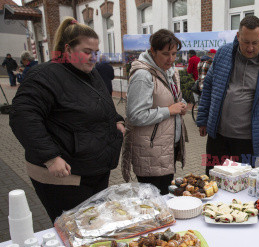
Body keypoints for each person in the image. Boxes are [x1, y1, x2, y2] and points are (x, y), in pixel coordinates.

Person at [9, 17, 125, 222]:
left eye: (96, 53)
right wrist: (51, 157)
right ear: (68, 50)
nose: (93, 58)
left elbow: (104, 105)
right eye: (87, 52)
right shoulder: (43, 76)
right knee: (74, 230)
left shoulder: (91, 74)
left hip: (95, 169)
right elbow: (22, 117)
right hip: (65, 177)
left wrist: (117, 121)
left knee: (95, 225)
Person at [196, 15, 259, 173]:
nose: (250, 48)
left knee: (243, 187)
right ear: (238, 36)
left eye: (255, 43)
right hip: (218, 138)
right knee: (213, 181)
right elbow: (209, 87)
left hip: (249, 142)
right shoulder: (224, 54)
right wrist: (203, 118)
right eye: (246, 42)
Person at [122, 29, 188, 194]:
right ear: (153, 51)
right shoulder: (143, 76)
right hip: (151, 153)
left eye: (174, 53)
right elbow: (135, 116)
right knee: (155, 205)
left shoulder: (168, 71)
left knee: (164, 200)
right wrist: (169, 110)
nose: (171, 59)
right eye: (166, 54)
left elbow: (172, 99)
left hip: (165, 149)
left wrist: (182, 104)